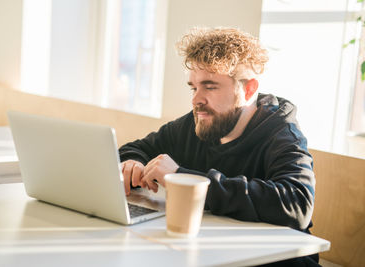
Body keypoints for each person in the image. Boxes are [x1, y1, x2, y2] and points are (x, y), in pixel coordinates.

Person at [119, 27, 319, 266]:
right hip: (212, 253)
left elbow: (297, 203)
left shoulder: (281, 134)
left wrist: (183, 180)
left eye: (210, 86)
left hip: (276, 260)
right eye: (194, 87)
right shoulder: (198, 122)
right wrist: (132, 163)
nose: (196, 99)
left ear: (249, 88)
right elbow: (136, 149)